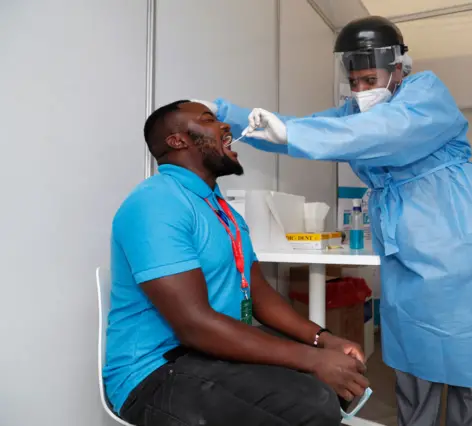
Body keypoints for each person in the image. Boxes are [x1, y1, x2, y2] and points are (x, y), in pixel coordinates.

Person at [201, 15, 472, 426]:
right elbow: (305, 129)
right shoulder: (354, 112)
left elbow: (385, 132)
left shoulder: (425, 94)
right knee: (414, 354)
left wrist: (295, 134)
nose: (361, 90)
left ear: (398, 67)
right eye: (354, 82)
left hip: (461, 232)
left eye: (369, 79)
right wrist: (227, 113)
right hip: (406, 240)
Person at [104, 100, 370, 426]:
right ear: (177, 141)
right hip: (154, 373)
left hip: (211, 355)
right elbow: (194, 324)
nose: (225, 126)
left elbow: (258, 292)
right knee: (313, 401)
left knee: (330, 383)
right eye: (208, 120)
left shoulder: (222, 210)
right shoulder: (156, 203)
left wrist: (323, 339)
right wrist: (312, 359)